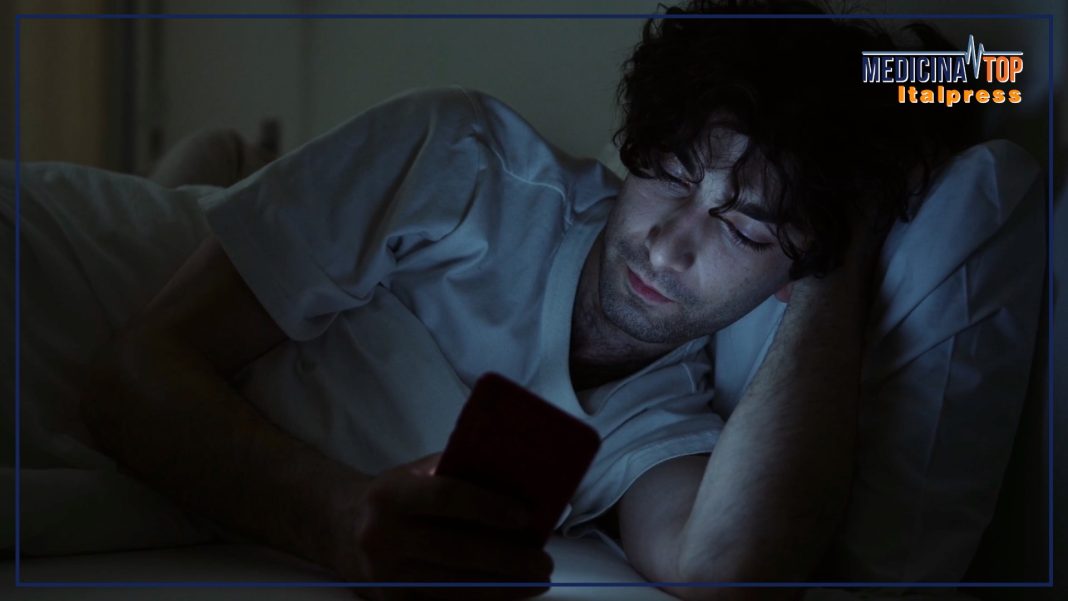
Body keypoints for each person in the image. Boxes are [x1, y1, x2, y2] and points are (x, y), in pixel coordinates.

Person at [77, 1, 1042, 600]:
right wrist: (332, 516)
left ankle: (219, 162)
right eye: (671, 175)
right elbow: (126, 377)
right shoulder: (464, 162)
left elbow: (1002, 76)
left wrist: (841, 244)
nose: (669, 243)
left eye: (746, 229)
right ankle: (217, 164)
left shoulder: (662, 418)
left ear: (788, 272)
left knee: (215, 169)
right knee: (195, 188)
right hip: (73, 272)